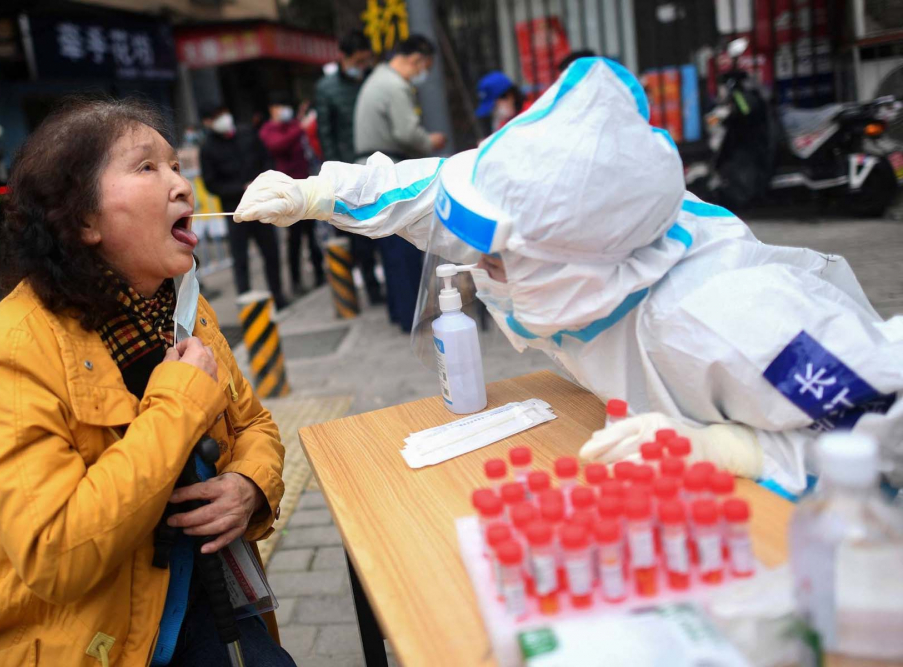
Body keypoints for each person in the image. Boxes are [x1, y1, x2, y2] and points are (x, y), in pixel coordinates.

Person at [232, 57, 903, 495]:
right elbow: (430, 192)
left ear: (570, 258)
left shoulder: (726, 315)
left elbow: (882, 431)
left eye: (495, 250)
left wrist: (739, 449)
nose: (471, 258)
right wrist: (321, 192)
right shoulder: (572, 228)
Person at [0, 98, 293, 666]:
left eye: (174, 164)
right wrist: (178, 403)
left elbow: (254, 425)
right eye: (146, 168)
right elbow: (54, 553)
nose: (181, 186)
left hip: (206, 605)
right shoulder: (15, 346)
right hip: (83, 642)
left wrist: (250, 486)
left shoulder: (183, 308)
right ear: (84, 220)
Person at [354, 34, 446, 332]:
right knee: (404, 248)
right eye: (424, 66)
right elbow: (407, 133)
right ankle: (412, 319)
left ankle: (400, 312)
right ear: (416, 59)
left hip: (371, 170)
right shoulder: (394, 85)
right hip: (386, 172)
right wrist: (430, 141)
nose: (422, 74)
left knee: (391, 250)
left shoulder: (378, 79)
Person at [314, 29, 383, 305]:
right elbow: (325, 134)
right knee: (359, 234)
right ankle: (371, 286)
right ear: (343, 57)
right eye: (358, 60)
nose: (362, 66)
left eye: (366, 60)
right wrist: (334, 175)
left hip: (377, 165)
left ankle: (393, 283)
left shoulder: (372, 80)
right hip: (348, 171)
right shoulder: (326, 89)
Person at [200, 106, 288, 309]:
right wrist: (240, 189)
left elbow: (266, 159)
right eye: (216, 118)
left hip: (261, 204)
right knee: (240, 259)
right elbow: (211, 183)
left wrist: (260, 183)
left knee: (271, 252)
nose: (222, 119)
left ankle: (278, 295)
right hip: (236, 211)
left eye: (223, 114)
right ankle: (246, 304)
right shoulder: (208, 148)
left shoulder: (247, 133)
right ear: (209, 123)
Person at [259, 94, 325, 296]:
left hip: (305, 186)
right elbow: (278, 145)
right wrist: (299, 127)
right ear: (272, 109)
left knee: (312, 234)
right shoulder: (268, 130)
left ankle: (320, 273)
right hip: (286, 192)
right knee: (294, 238)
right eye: (279, 106)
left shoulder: (294, 124)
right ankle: (296, 281)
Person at [475, 71, 524, 135]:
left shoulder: (531, 116)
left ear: (509, 96)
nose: (494, 112)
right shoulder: (504, 124)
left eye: (494, 106)